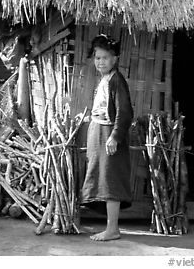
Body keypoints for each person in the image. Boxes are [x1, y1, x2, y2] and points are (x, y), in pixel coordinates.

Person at [80, 34, 133, 242]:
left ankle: (113, 229)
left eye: (104, 58)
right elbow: (102, 107)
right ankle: (108, 226)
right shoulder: (105, 79)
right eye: (97, 58)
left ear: (115, 59)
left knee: (111, 180)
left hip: (109, 135)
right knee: (100, 178)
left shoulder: (117, 80)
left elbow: (125, 112)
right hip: (98, 132)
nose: (100, 62)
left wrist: (115, 137)